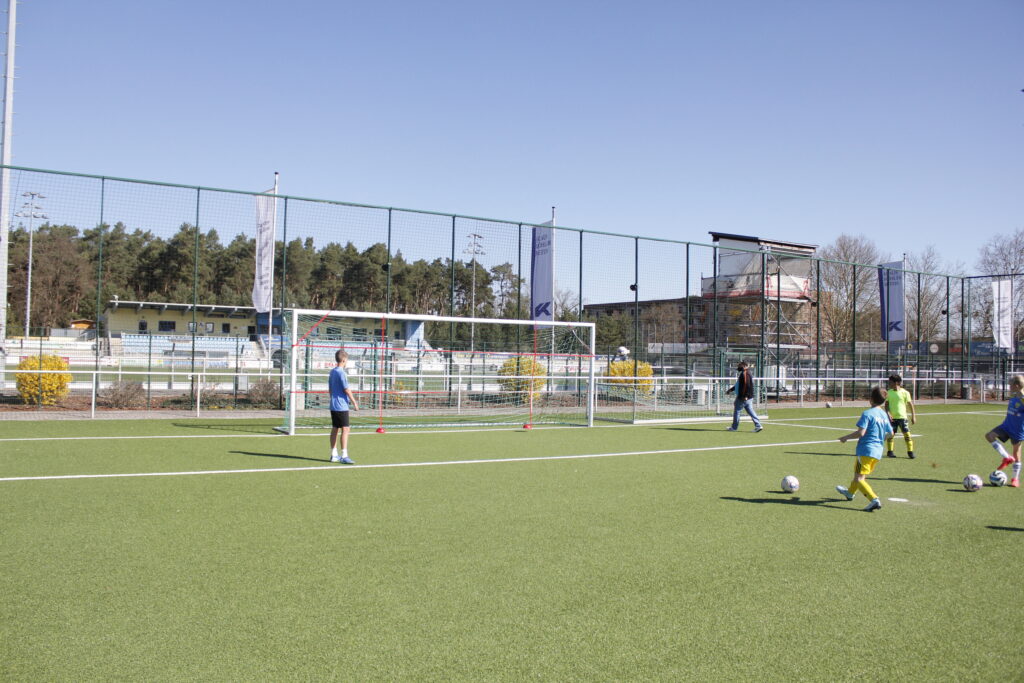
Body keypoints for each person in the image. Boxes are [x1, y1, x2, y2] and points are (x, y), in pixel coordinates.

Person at [836, 387, 894, 512]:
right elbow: (891, 433)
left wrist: (845, 438)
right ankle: (850, 493)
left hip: (865, 450)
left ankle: (874, 500)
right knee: (861, 475)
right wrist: (880, 440)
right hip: (877, 452)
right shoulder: (884, 415)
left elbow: (861, 432)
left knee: (859, 478)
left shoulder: (867, 413)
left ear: (871, 399)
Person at [984, 374, 1024, 488]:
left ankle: (1015, 479)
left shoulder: (1023, 398)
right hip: (1006, 426)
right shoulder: (1014, 395)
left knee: (1017, 454)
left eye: (1010, 385)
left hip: (1017, 430)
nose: (1009, 386)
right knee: (989, 436)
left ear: (1016, 386)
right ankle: (1006, 457)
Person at [328, 349, 359, 463]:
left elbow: (330, 389)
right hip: (341, 405)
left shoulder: (332, 372)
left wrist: (332, 399)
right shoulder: (341, 373)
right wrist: (354, 402)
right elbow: (346, 389)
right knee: (346, 429)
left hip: (334, 404)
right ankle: (344, 455)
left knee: (335, 428)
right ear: (344, 360)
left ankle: (334, 454)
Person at [884, 374, 917, 458]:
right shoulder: (889, 393)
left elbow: (910, 405)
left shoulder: (905, 393)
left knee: (907, 435)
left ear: (897, 382)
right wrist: (888, 413)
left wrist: (913, 416)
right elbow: (886, 405)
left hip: (903, 418)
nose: (889, 384)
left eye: (890, 382)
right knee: (890, 435)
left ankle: (910, 452)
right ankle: (890, 451)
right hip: (892, 418)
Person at [725, 361, 763, 432]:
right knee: (750, 411)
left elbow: (747, 385)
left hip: (743, 397)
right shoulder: (745, 373)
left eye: (739, 366)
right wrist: (730, 390)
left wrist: (745, 396)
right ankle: (758, 425)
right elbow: (738, 385)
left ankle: (734, 428)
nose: (738, 368)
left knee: (737, 411)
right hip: (747, 397)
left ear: (744, 366)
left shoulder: (745, 373)